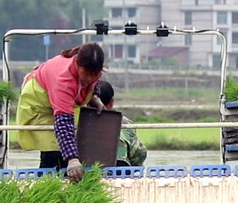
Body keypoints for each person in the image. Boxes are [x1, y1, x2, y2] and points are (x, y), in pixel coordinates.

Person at [15, 43, 106, 181]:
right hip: (39, 104)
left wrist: (94, 97)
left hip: (63, 103)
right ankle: (44, 187)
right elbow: (63, 122)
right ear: (77, 64)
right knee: (53, 151)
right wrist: (72, 159)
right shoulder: (63, 80)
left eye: (95, 75)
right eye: (86, 74)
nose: (89, 79)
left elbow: (94, 83)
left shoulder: (92, 73)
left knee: (74, 146)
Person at [95, 80, 147, 167]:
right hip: (121, 174)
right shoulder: (123, 122)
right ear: (111, 102)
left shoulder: (77, 122)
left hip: (85, 173)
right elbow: (139, 155)